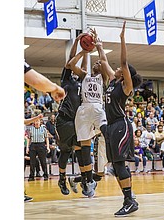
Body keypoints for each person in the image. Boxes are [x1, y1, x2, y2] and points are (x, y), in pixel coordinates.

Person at [95, 21, 142, 217]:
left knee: (120, 165)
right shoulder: (114, 82)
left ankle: (129, 200)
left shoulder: (125, 87)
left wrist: (122, 39)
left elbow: (123, 62)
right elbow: (104, 60)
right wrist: (99, 46)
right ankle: (129, 199)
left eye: (120, 69)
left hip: (121, 126)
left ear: (125, 74)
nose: (116, 68)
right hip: (112, 126)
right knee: (115, 165)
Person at [67, 30, 108, 198]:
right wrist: (82, 49)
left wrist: (98, 46)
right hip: (83, 110)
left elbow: (104, 60)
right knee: (84, 146)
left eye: (99, 63)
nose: (97, 63)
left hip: (98, 109)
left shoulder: (103, 78)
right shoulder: (85, 76)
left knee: (107, 133)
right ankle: (88, 181)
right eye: (95, 63)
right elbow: (70, 65)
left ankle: (112, 163)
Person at [55, 33, 94, 197]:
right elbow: (71, 60)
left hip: (77, 121)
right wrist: (79, 45)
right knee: (65, 152)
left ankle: (84, 181)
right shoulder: (66, 79)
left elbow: (84, 67)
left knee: (79, 150)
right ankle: (62, 178)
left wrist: (87, 53)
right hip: (64, 120)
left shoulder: (82, 81)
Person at [24, 62, 65, 202]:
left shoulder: (41, 126)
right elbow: (34, 79)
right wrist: (55, 88)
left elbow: (23, 121)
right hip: (34, 145)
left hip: (41, 144)